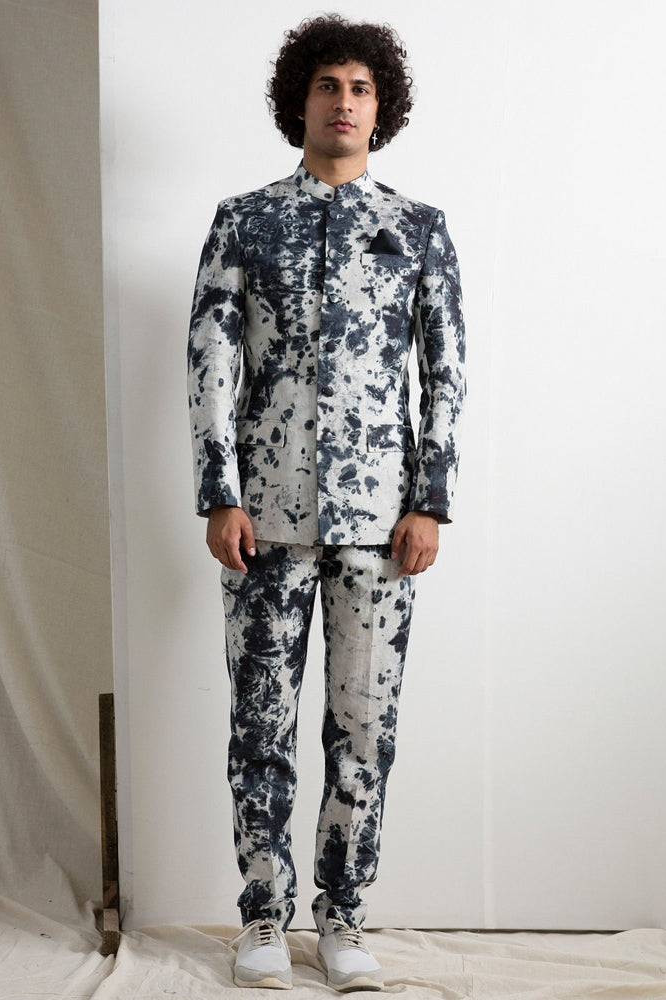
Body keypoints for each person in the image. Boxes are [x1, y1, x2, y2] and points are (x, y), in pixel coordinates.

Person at [187, 13, 466, 992]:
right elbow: (211, 363)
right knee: (260, 726)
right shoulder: (244, 221)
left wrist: (430, 500)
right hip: (263, 522)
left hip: (381, 526)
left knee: (363, 730)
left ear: (380, 108)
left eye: (359, 88)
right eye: (326, 86)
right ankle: (263, 917)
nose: (342, 102)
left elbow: (446, 374)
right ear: (297, 101)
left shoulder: (417, 230)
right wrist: (219, 493)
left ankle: (343, 918)